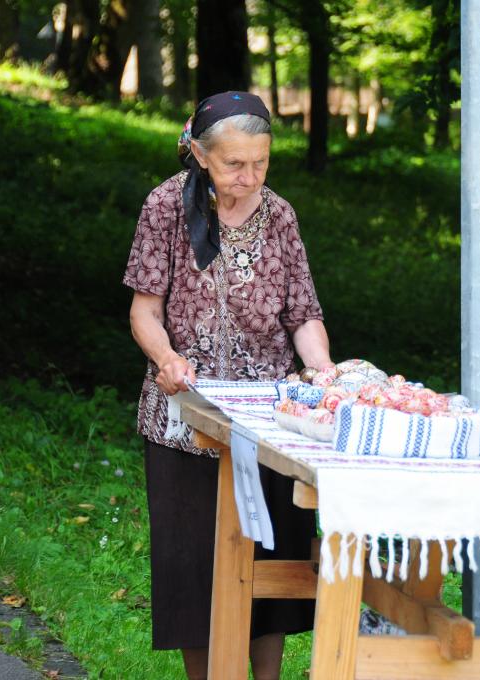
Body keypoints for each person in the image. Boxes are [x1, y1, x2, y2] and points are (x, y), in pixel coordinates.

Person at [123, 91, 334, 680]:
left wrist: (321, 368)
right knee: (195, 563)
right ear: (198, 154)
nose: (250, 177)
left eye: (261, 163)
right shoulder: (165, 206)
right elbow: (145, 310)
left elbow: (303, 314)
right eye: (234, 164)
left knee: (276, 558)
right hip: (185, 416)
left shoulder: (281, 214)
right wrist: (165, 358)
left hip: (269, 419)